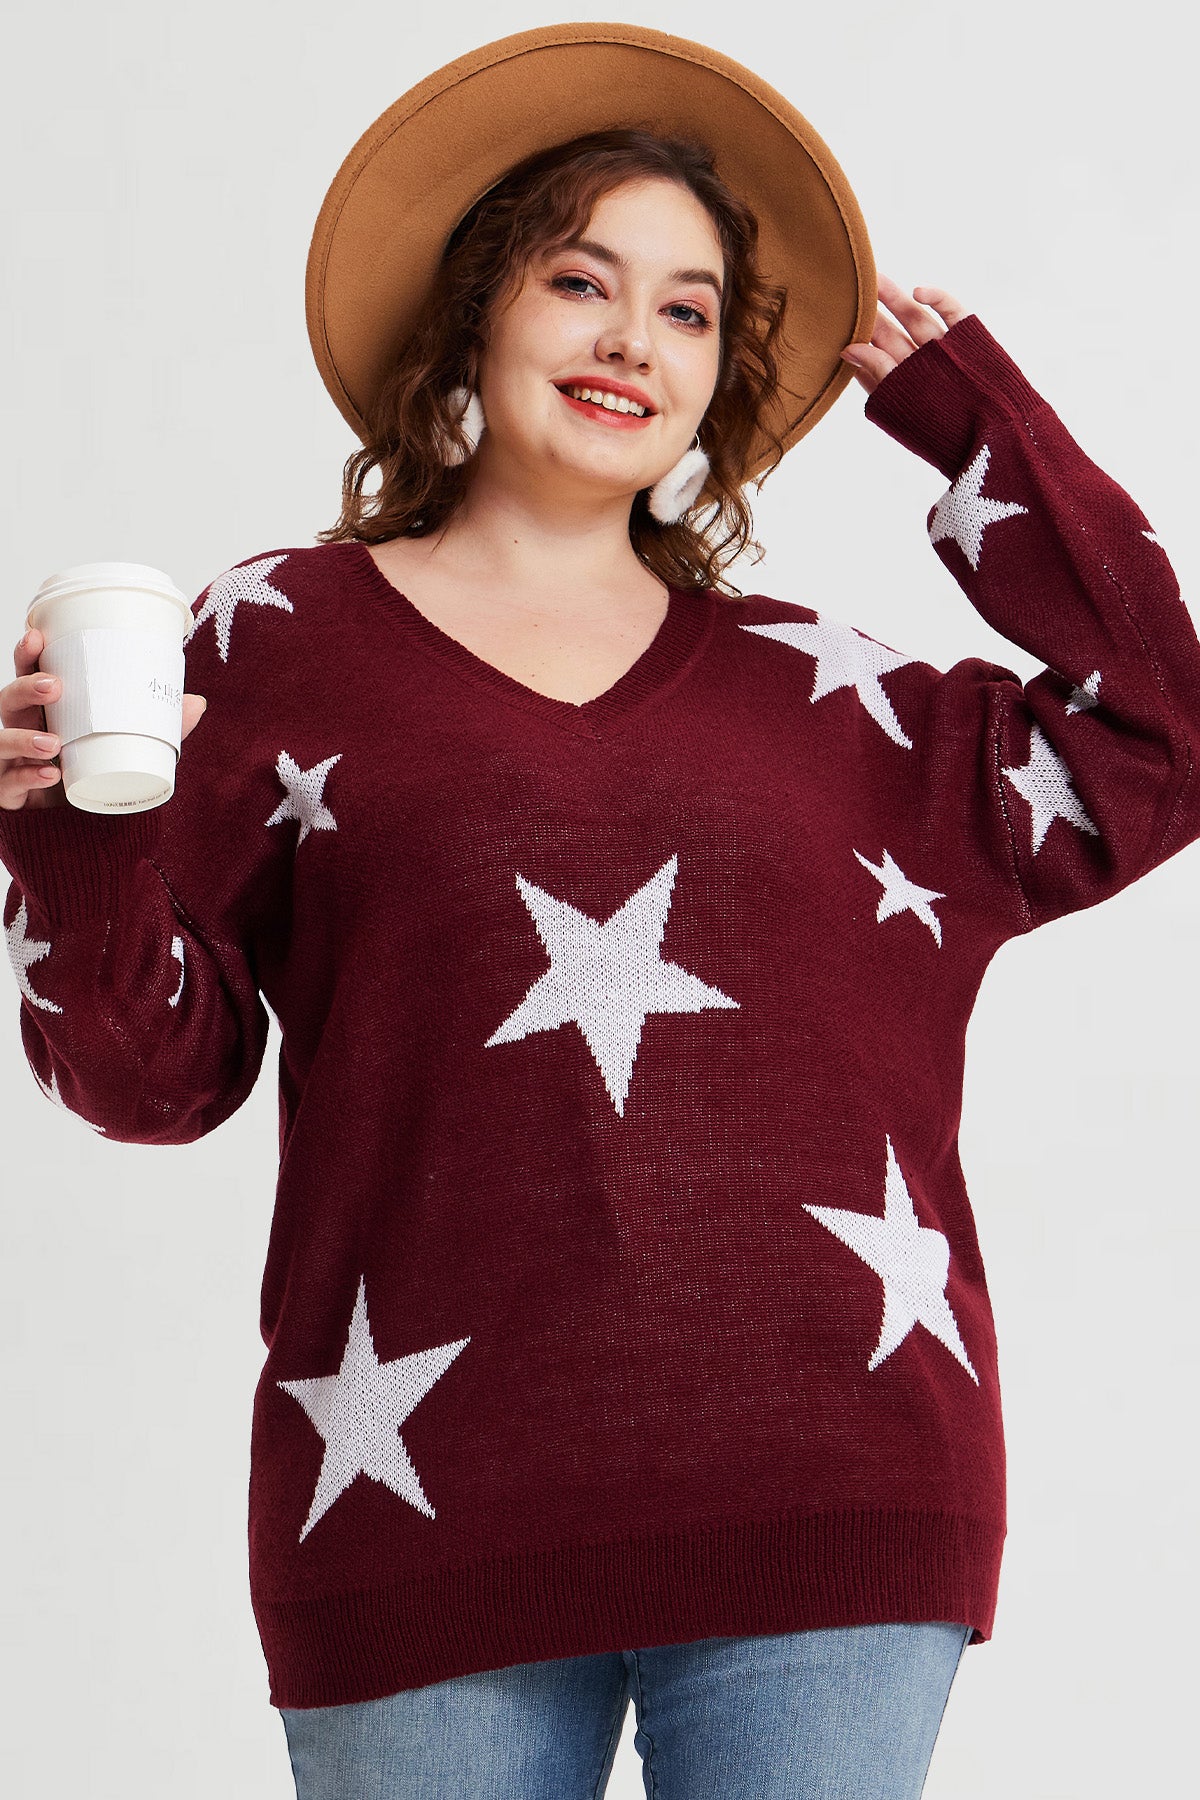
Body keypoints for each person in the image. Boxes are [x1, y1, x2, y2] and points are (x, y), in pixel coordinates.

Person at [2, 22, 1198, 1800]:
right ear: (478, 310)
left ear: (724, 372)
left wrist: (972, 430)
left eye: (689, 310)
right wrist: (67, 838)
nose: (634, 338)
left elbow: (1163, 733)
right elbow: (148, 1084)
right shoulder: (265, 640)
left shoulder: (840, 701)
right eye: (581, 280)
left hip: (831, 1498)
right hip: (414, 1517)